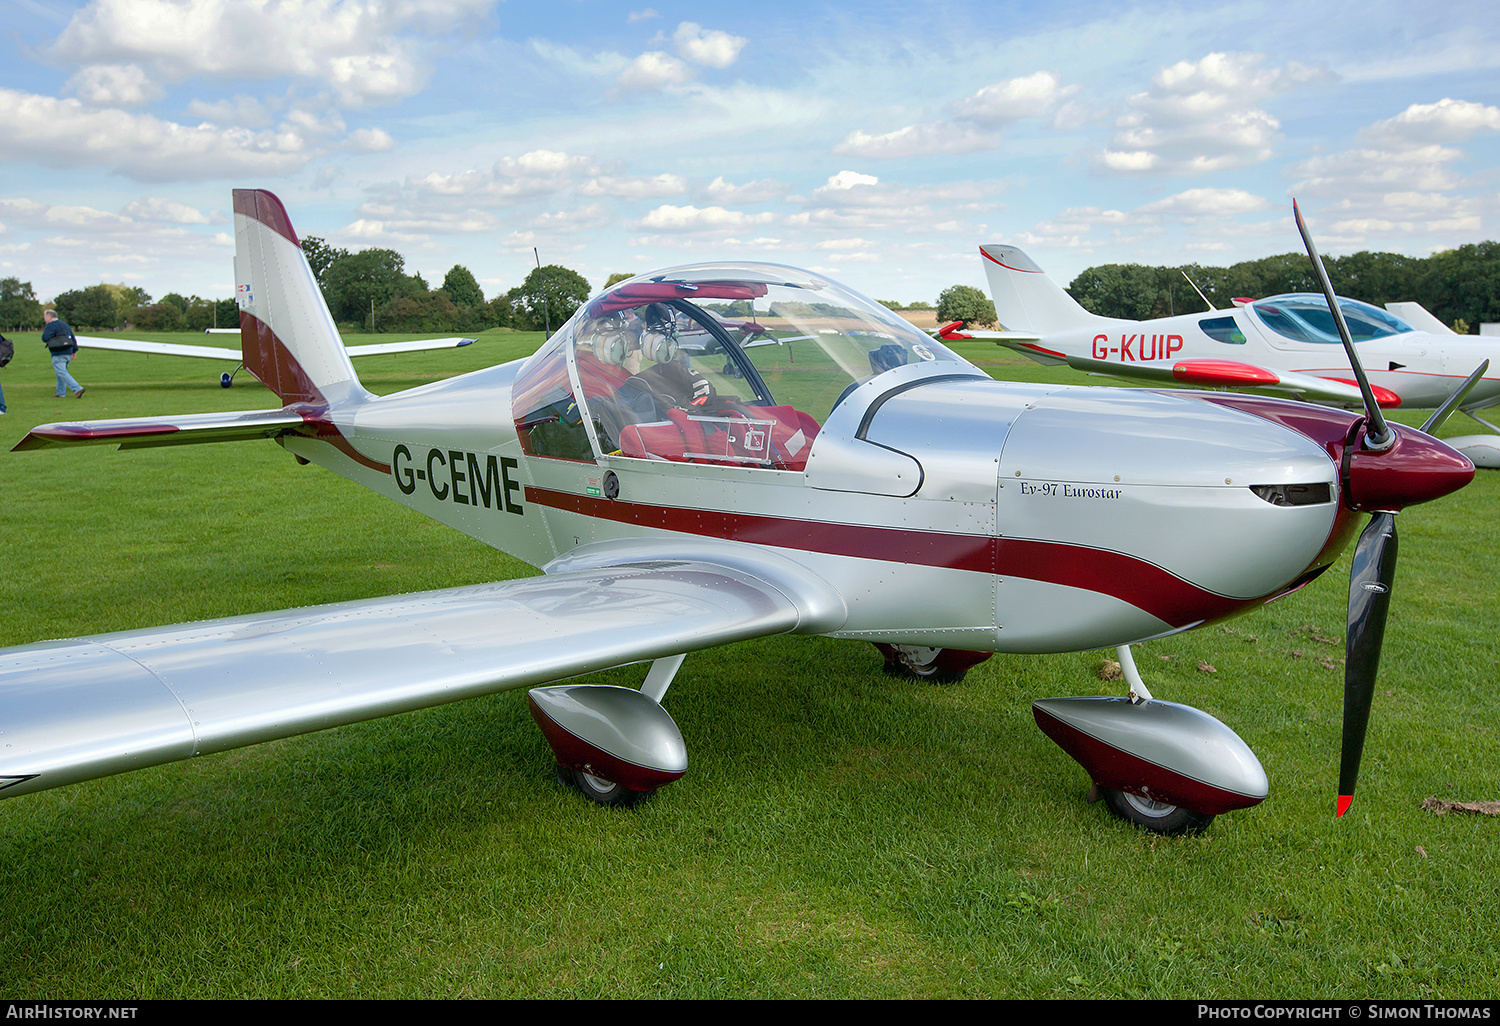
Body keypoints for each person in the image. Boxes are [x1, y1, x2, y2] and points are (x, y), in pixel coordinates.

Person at [41, 309, 85, 398]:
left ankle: (77, 388)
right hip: (68, 351)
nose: (44, 320)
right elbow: (73, 338)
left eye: (45, 317)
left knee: (61, 372)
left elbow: (45, 338)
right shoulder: (64, 324)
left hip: (58, 352)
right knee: (60, 372)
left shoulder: (50, 325)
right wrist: (74, 351)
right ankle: (61, 392)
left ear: (49, 317)